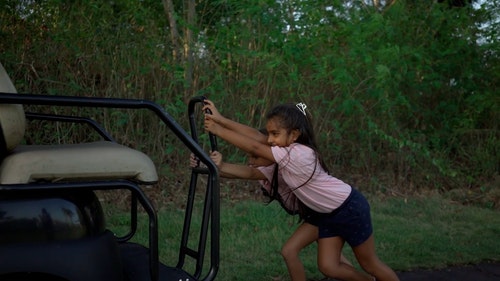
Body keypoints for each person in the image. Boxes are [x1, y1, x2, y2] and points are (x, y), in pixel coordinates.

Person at [202, 100, 400, 281]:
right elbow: (256, 139)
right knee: (328, 267)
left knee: (369, 263)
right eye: (269, 134)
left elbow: (255, 145)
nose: (269, 139)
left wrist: (218, 129)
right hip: (326, 214)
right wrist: (221, 120)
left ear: (294, 134)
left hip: (349, 209)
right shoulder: (283, 152)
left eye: (275, 134)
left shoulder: (298, 154)